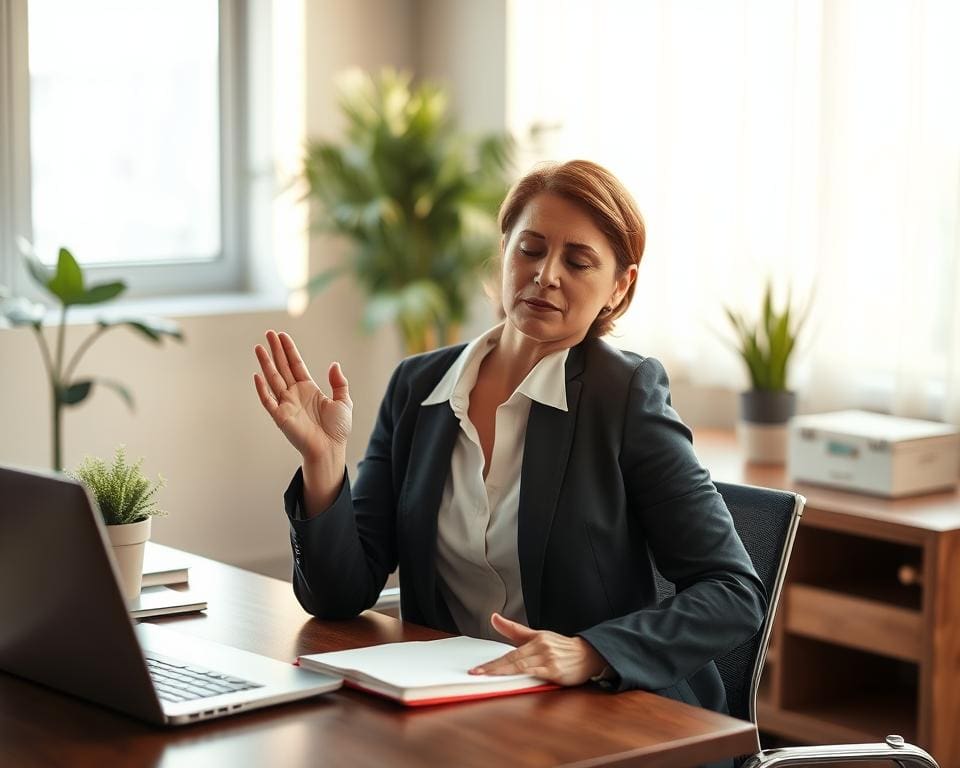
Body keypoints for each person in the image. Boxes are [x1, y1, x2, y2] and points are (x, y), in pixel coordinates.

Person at [253, 160, 765, 715]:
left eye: (578, 261)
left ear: (620, 287)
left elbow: (733, 591)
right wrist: (324, 463)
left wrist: (591, 652)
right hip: (455, 705)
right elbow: (338, 597)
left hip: (606, 709)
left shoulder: (625, 396)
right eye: (530, 249)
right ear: (504, 252)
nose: (546, 275)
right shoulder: (418, 387)